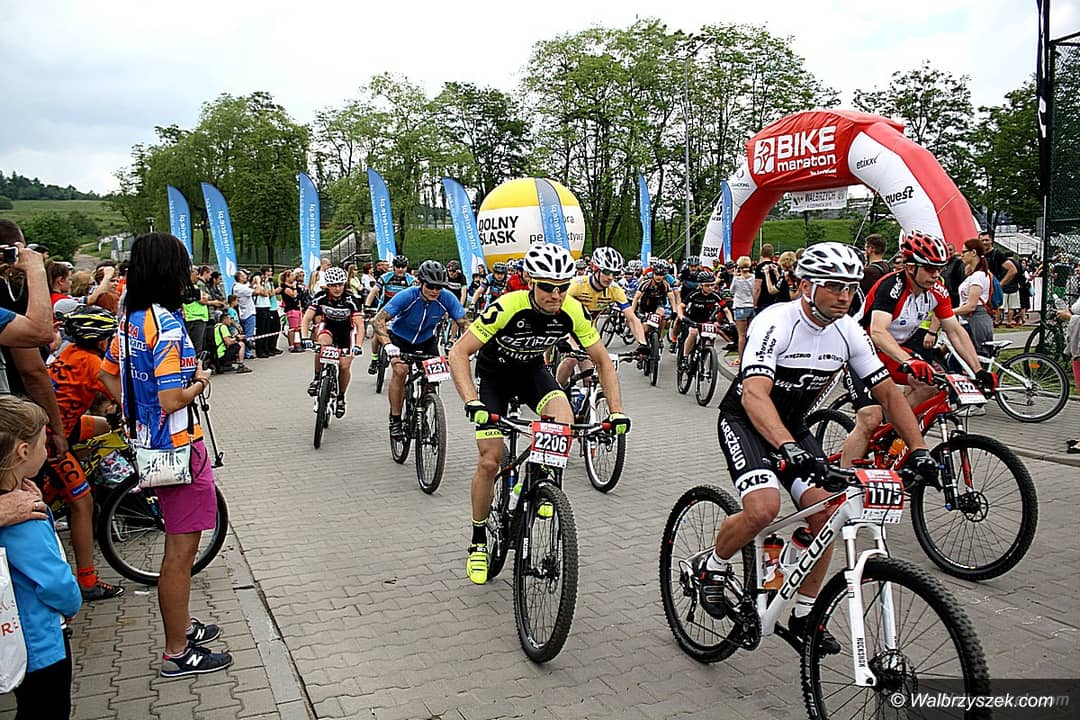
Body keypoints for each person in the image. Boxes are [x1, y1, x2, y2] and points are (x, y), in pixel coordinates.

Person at [701, 243, 938, 652]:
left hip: (792, 427)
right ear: (806, 285)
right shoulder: (775, 321)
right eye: (834, 286)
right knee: (764, 508)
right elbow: (754, 393)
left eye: (850, 287)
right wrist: (786, 447)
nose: (845, 296)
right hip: (746, 422)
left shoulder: (849, 331)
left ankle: (804, 614)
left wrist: (919, 450)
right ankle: (714, 566)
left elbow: (888, 394)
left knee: (828, 514)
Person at [448, 242, 631, 585]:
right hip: (495, 379)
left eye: (563, 287)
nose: (556, 295)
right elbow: (459, 352)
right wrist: (471, 401)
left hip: (532, 374)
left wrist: (617, 411)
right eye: (548, 287)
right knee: (489, 461)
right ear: (532, 282)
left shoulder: (572, 310)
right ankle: (478, 540)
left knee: (565, 419)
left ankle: (541, 478)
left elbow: (603, 361)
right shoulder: (508, 306)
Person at [98, 232, 232, 678]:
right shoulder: (169, 326)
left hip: (148, 445)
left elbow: (106, 376)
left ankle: (183, 625)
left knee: (178, 548)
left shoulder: (130, 319)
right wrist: (201, 381)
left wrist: (134, 412)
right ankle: (177, 651)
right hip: (179, 449)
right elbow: (173, 399)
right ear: (171, 271)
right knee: (180, 554)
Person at [841, 231, 993, 466]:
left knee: (930, 384)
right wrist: (909, 361)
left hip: (890, 351)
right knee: (870, 418)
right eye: (930, 269)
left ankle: (892, 431)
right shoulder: (891, 286)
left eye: (939, 268)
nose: (936, 275)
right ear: (910, 267)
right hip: (860, 351)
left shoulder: (937, 292)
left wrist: (978, 370)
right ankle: (844, 481)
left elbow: (955, 331)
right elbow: (878, 332)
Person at [0, 396, 82, 720]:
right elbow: (54, 580)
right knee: (49, 709)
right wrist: (71, 603)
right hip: (41, 642)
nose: (46, 450)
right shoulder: (24, 517)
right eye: (43, 443)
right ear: (23, 451)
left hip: (16, 636)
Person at [45, 305, 126, 601]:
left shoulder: (70, 352)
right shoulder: (92, 363)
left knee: (106, 426)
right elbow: (124, 396)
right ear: (101, 340)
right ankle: (87, 581)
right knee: (83, 502)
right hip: (54, 439)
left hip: (60, 424)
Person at [372, 260, 468, 439]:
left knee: (434, 378)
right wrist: (387, 345)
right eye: (430, 286)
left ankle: (422, 411)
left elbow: (464, 323)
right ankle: (395, 419)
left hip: (426, 340)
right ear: (421, 283)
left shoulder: (447, 298)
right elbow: (378, 320)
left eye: (439, 287)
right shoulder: (407, 295)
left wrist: (467, 348)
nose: (434, 291)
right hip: (400, 339)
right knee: (400, 371)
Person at [555, 246, 647, 391]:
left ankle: (586, 404)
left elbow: (631, 318)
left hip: (586, 332)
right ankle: (555, 393)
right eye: (606, 272)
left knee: (590, 377)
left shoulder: (614, 290)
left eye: (614, 273)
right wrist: (564, 339)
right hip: (566, 328)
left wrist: (642, 343)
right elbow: (557, 311)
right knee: (571, 360)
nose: (610, 277)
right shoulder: (578, 285)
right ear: (595, 269)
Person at [301, 266, 365, 418]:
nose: (337, 289)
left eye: (340, 285)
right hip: (328, 328)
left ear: (344, 284)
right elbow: (307, 318)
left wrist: (358, 346)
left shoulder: (351, 299)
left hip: (346, 333)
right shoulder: (320, 297)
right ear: (327, 285)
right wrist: (304, 338)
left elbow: (360, 325)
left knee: (344, 366)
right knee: (321, 345)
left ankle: (341, 397)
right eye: (333, 285)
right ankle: (317, 378)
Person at [365, 255, 415, 374]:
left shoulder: (410, 280)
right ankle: (374, 359)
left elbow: (415, 296)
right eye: (398, 266)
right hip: (386, 308)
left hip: (402, 310)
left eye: (403, 267)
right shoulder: (386, 277)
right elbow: (374, 291)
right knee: (377, 333)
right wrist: (367, 306)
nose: (400, 269)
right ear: (394, 267)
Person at [953, 238, 995, 355]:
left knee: (974, 358)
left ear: (973, 253)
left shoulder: (978, 276)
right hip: (970, 320)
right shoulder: (977, 274)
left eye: (964, 252)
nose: (962, 255)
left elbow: (971, 306)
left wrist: (949, 312)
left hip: (975, 321)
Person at [730, 256, 755, 364]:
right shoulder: (753, 277)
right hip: (751, 305)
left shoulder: (737, 279)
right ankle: (752, 356)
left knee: (741, 335)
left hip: (740, 306)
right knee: (751, 334)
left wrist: (735, 276)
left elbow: (731, 291)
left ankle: (741, 358)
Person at [182, 267, 210, 357]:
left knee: (198, 345)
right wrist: (204, 296)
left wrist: (204, 296)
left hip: (198, 318)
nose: (198, 277)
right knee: (196, 346)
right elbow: (204, 300)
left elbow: (206, 297)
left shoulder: (195, 286)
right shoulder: (188, 288)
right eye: (196, 274)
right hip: (194, 318)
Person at [232, 270, 256, 359]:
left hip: (243, 312)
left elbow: (249, 287)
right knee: (248, 334)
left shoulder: (239, 286)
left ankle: (245, 352)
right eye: (244, 275)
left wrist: (252, 283)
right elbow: (256, 291)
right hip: (247, 313)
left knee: (245, 334)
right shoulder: (240, 287)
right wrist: (257, 283)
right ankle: (247, 353)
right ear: (240, 278)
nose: (246, 277)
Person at [860, 234, 891, 298]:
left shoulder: (867, 272)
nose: (865, 251)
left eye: (866, 248)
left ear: (871, 249)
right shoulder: (888, 267)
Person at [753, 243, 782, 312]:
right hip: (776, 299)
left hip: (763, 300)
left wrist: (754, 303)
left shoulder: (759, 267)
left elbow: (757, 288)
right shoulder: (777, 266)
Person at [280, 269, 303, 352]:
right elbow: (293, 295)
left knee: (298, 327)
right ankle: (291, 345)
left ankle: (298, 343)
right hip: (291, 309)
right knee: (292, 328)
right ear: (287, 277)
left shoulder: (294, 286)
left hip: (297, 308)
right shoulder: (285, 287)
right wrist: (294, 287)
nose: (294, 277)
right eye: (292, 276)